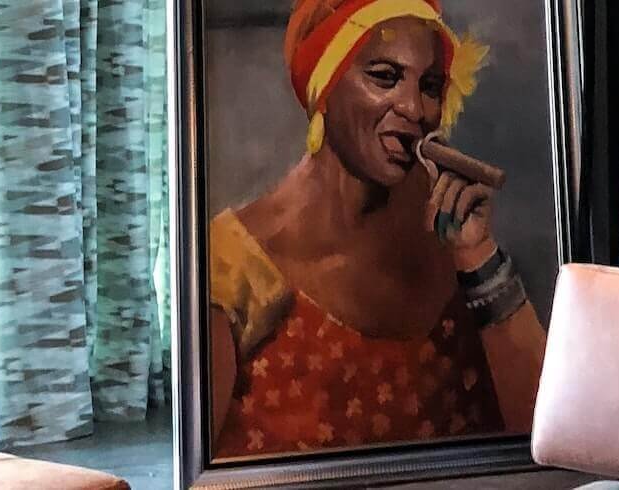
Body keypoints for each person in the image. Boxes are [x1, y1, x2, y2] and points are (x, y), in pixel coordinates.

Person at [208, 0, 547, 458]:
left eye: (430, 86)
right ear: (325, 84)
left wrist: (479, 256)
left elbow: (551, 435)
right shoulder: (235, 265)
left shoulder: (455, 234)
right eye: (384, 77)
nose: (414, 108)